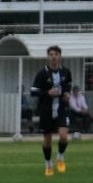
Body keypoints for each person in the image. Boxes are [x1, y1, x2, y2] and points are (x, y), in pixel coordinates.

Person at [29, 45, 72, 176]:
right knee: (47, 141)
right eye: (51, 54)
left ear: (60, 56)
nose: (54, 57)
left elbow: (67, 87)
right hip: (46, 110)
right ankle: (48, 164)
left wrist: (67, 94)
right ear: (48, 57)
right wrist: (48, 92)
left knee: (63, 136)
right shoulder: (42, 73)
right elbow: (33, 92)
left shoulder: (66, 72)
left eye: (56, 54)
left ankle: (60, 157)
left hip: (61, 108)